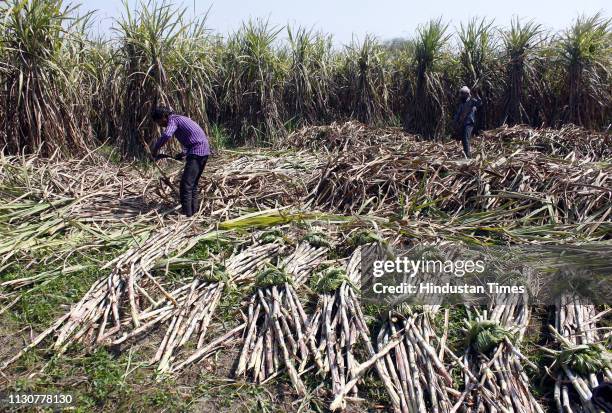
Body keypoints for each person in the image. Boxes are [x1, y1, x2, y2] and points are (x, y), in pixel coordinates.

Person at [150, 106, 210, 217]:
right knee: (192, 184)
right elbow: (192, 138)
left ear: (164, 116)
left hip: (197, 151)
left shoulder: (173, 120)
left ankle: (187, 214)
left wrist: (155, 149)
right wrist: (183, 153)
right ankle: (193, 213)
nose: (160, 125)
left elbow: (167, 135)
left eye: (159, 122)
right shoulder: (180, 119)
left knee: (185, 185)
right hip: (203, 151)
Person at [453, 86, 482, 158]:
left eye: (463, 93)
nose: (461, 95)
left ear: (467, 94)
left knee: (466, 138)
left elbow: (479, 103)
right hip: (463, 123)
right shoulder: (462, 103)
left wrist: (476, 94)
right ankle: (467, 154)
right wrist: (455, 122)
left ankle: (468, 155)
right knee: (464, 139)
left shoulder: (472, 101)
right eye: (461, 93)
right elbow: (458, 114)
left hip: (469, 123)